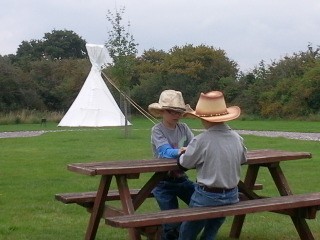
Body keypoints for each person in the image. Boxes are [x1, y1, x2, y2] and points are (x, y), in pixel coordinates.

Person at [177, 90, 247, 240]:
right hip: (232, 195)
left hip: (207, 196)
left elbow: (184, 164)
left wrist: (185, 151)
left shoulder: (202, 140)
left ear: (204, 119)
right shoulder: (237, 138)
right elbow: (242, 159)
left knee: (187, 232)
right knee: (211, 231)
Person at [148, 89, 195, 240]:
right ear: (162, 112)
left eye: (179, 112)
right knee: (171, 222)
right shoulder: (157, 130)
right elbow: (165, 152)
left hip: (182, 179)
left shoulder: (184, 128)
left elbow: (195, 146)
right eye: (171, 111)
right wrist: (182, 151)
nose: (176, 115)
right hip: (162, 182)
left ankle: (185, 233)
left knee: (202, 204)